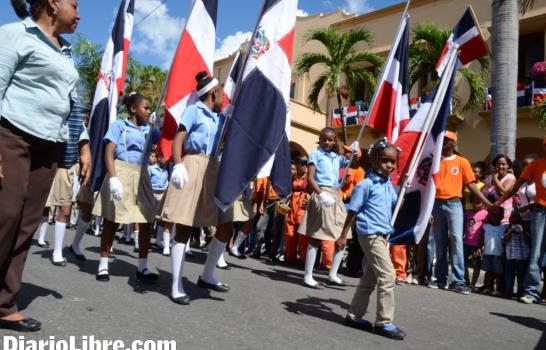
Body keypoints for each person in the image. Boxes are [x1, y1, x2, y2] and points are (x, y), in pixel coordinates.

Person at [0, 0, 81, 332]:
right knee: (4, 215)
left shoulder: (65, 51)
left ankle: (4, 304)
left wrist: (84, 143)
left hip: (50, 145)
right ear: (51, 3)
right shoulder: (14, 34)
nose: (79, 13)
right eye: (74, 4)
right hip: (11, 136)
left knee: (26, 225)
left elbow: (71, 101)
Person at [160, 72, 229, 305]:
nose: (224, 95)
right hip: (191, 165)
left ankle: (208, 275)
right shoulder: (193, 111)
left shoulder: (221, 118)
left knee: (225, 222)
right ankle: (176, 284)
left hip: (212, 168)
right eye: (221, 91)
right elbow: (179, 139)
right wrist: (178, 165)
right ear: (213, 93)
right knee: (184, 225)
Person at [337, 139, 405, 340]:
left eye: (393, 162)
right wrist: (343, 235)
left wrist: (403, 195)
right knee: (388, 275)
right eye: (385, 161)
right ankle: (384, 322)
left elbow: (395, 205)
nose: (390, 166)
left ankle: (354, 315)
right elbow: (352, 211)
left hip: (383, 235)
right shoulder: (365, 185)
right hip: (370, 234)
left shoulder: (388, 186)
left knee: (370, 277)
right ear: (374, 160)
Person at [92, 93, 160, 282]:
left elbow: (163, 142)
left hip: (142, 174)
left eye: (149, 109)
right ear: (133, 109)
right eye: (145, 108)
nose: (148, 111)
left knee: (147, 220)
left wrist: (159, 126)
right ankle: (103, 264)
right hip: (121, 171)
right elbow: (109, 152)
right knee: (113, 220)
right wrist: (113, 178)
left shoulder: (149, 129)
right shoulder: (119, 126)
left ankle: (142, 267)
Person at [429, 131, 491, 294]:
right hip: (436, 204)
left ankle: (458, 281)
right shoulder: (435, 161)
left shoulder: (462, 162)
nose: (444, 143)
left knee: (456, 240)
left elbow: (471, 185)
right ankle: (441, 279)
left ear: (454, 144)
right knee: (440, 242)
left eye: (448, 140)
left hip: (454, 204)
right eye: (443, 140)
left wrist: (487, 203)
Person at [298, 127, 359, 288]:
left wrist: (355, 152)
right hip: (322, 193)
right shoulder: (315, 154)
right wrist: (320, 194)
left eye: (331, 139)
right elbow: (311, 178)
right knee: (317, 236)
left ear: (334, 141)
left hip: (336, 195)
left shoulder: (337, 157)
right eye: (324, 139)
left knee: (343, 234)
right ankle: (308, 276)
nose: (327, 142)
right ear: (320, 139)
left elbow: (355, 164)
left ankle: (333, 274)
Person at [35, 100, 90, 265]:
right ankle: (31, 239)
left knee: (65, 209)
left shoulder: (78, 109)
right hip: (44, 160)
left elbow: (83, 139)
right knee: (36, 206)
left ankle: (57, 251)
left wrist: (85, 155)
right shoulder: (51, 102)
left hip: (66, 166)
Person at [496, 137, 546, 304]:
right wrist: (496, 203)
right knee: (536, 252)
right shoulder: (535, 166)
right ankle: (531, 292)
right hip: (540, 212)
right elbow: (516, 188)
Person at [283, 157, 309, 265]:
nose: (303, 166)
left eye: (305, 164)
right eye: (301, 163)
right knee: (290, 233)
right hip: (293, 203)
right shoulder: (293, 177)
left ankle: (304, 260)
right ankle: (289, 258)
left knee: (303, 235)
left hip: (303, 205)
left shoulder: (310, 177)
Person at [503, 211, 531, 298]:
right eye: (512, 218)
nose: (514, 220)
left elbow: (529, 242)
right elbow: (504, 240)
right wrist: (510, 230)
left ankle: (520, 293)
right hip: (510, 256)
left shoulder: (526, 228)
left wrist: (522, 231)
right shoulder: (507, 227)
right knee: (509, 276)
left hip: (523, 257)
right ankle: (508, 292)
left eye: (516, 218)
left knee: (521, 276)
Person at [483, 154, 516, 224]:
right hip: (488, 215)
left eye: (503, 164)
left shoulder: (510, 178)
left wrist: (495, 179)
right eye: (498, 164)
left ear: (508, 166)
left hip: (503, 215)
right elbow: (484, 193)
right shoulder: (489, 178)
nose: (500, 166)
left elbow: (503, 194)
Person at [481, 206, 506, 296]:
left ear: (502, 217)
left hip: (498, 254)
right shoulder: (486, 226)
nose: (494, 218)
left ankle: (498, 289)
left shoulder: (504, 227)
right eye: (493, 216)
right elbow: (481, 238)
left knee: (498, 273)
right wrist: (479, 248)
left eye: (497, 216)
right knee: (488, 272)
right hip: (487, 253)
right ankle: (488, 287)